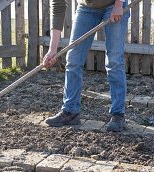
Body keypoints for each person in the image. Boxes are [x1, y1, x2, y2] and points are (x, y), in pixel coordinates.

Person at [43, 0, 129, 132]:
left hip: (114, 4)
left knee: (114, 61)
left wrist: (118, 5)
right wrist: (52, 49)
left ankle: (118, 115)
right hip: (86, 8)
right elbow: (58, 6)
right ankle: (70, 112)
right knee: (73, 60)